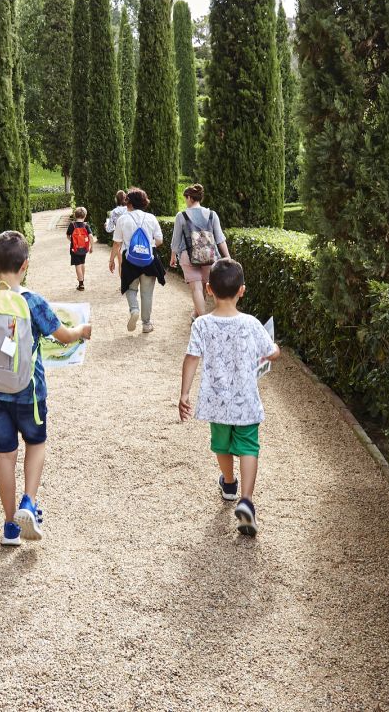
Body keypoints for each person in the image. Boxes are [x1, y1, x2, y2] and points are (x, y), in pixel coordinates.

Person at [0, 231, 91, 546]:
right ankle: (29, 503)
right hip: (29, 391)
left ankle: (10, 527)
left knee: (4, 455)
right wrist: (82, 331)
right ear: (25, 265)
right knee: (36, 443)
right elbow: (63, 336)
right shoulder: (32, 301)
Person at [177, 259, 280, 537]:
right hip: (245, 400)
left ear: (209, 289)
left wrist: (185, 393)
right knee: (248, 446)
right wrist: (274, 350)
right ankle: (246, 499)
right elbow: (271, 352)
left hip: (215, 401)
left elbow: (191, 358)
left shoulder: (201, 324)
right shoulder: (251, 323)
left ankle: (229, 483)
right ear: (242, 291)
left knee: (221, 444)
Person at [108, 186, 167, 334]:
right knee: (147, 294)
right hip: (149, 260)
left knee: (130, 287)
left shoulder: (123, 219)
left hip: (130, 260)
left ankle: (134, 309)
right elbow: (159, 240)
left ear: (129, 202)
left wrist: (112, 259)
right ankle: (146, 324)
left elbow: (117, 243)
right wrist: (147, 245)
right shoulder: (151, 218)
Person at [170, 184, 230, 320]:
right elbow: (220, 239)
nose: (186, 202)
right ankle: (197, 315)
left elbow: (176, 239)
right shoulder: (212, 214)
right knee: (204, 286)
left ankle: (202, 320)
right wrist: (228, 257)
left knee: (196, 288)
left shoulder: (181, 216)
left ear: (190, 198)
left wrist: (173, 256)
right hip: (209, 255)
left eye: (186, 198)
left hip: (189, 255)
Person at [66, 206, 93, 291]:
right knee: (82, 263)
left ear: (75, 215)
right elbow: (91, 236)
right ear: (85, 216)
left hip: (75, 249)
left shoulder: (72, 225)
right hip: (84, 248)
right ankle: (82, 280)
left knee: (77, 265)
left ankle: (81, 284)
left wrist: (72, 241)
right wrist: (91, 246)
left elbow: (67, 235)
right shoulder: (86, 225)